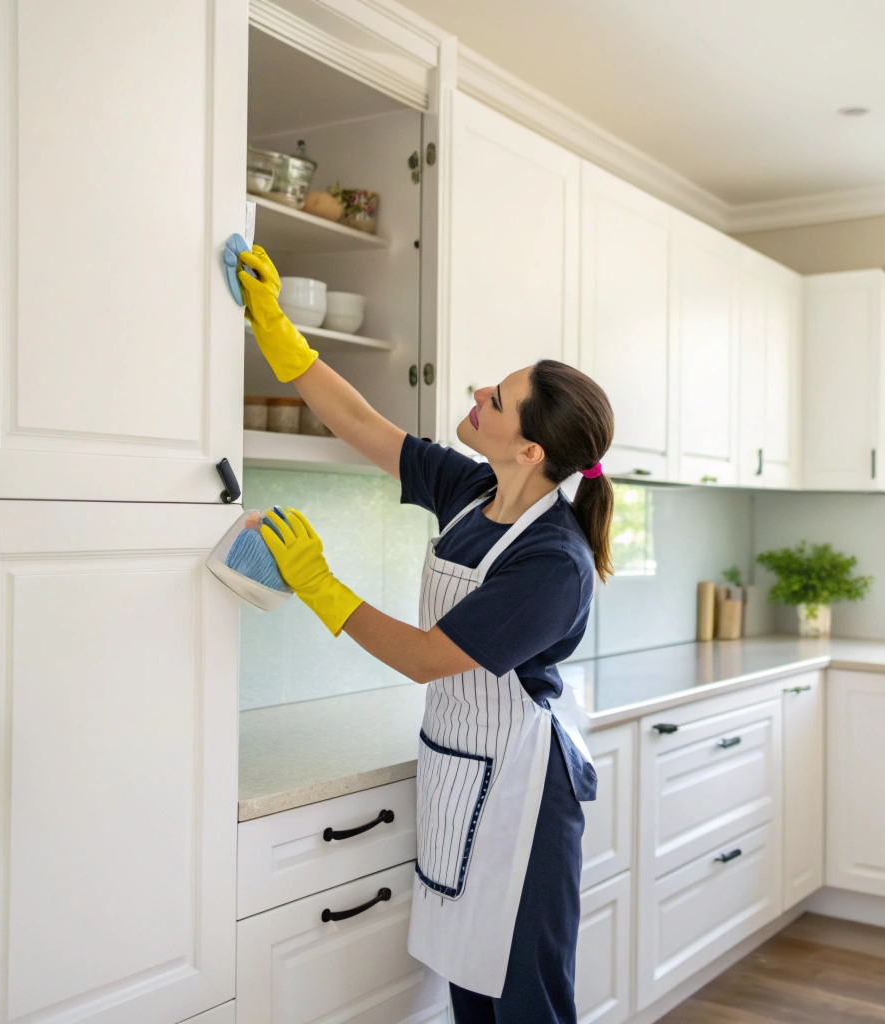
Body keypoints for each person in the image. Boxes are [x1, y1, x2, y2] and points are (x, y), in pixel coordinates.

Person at [238, 245, 610, 1024]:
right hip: (457, 770)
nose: (478, 392)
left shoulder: (553, 563)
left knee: (527, 1004)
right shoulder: (474, 490)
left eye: (498, 399)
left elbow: (423, 659)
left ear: (530, 449)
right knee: (470, 990)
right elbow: (360, 422)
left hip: (522, 794)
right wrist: (278, 333)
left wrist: (318, 583)